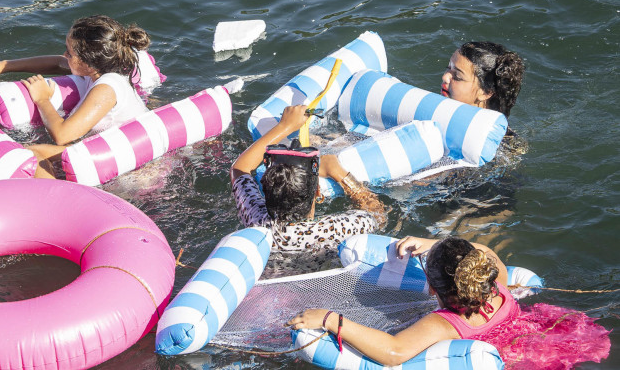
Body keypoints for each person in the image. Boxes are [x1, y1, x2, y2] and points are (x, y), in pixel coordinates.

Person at [287, 235, 611, 368]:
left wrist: (332, 319)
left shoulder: (444, 324)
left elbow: (394, 351)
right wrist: (433, 243)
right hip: (542, 337)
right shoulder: (497, 282)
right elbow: (480, 251)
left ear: (431, 288)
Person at [0, 15, 149, 177]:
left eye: (69, 53)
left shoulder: (107, 88)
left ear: (89, 63)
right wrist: (2, 66)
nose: (64, 55)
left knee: (30, 154)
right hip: (107, 147)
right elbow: (56, 62)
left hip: (128, 162)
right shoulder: (98, 69)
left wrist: (42, 99)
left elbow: (62, 136)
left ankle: (58, 203)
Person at [231, 104, 387, 273]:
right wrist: (339, 174)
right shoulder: (339, 228)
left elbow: (239, 169)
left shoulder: (257, 220)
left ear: (266, 191)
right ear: (318, 193)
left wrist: (285, 126)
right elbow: (378, 215)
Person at [441, 42, 525, 118]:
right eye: (448, 68)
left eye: (457, 76)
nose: (445, 77)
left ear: (486, 92)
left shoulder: (493, 134)